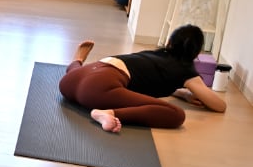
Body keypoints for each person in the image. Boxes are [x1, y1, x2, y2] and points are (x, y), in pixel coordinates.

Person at [59, 24, 227, 132]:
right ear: (196, 53)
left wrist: (182, 94)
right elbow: (220, 106)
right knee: (176, 114)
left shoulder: (154, 54)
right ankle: (106, 113)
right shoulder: (185, 69)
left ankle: (77, 61)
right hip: (97, 90)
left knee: (87, 77)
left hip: (69, 83)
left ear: (169, 42)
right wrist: (192, 87)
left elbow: (150, 81)